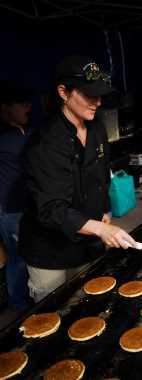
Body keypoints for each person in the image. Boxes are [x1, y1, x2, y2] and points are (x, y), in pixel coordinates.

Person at [18, 55, 137, 303]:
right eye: (88, 95)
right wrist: (101, 228)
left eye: (100, 94)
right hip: (49, 250)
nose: (97, 102)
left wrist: (105, 210)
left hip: (87, 242)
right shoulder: (45, 144)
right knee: (52, 312)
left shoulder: (96, 128)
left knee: (87, 303)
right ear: (64, 92)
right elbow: (51, 209)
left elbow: (102, 174)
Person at [0, 81, 33, 310]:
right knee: (18, 258)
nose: (27, 109)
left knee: (31, 253)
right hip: (9, 209)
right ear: (6, 107)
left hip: (31, 204)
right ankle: (20, 305)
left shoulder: (28, 131)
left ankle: (29, 297)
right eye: (22, 105)